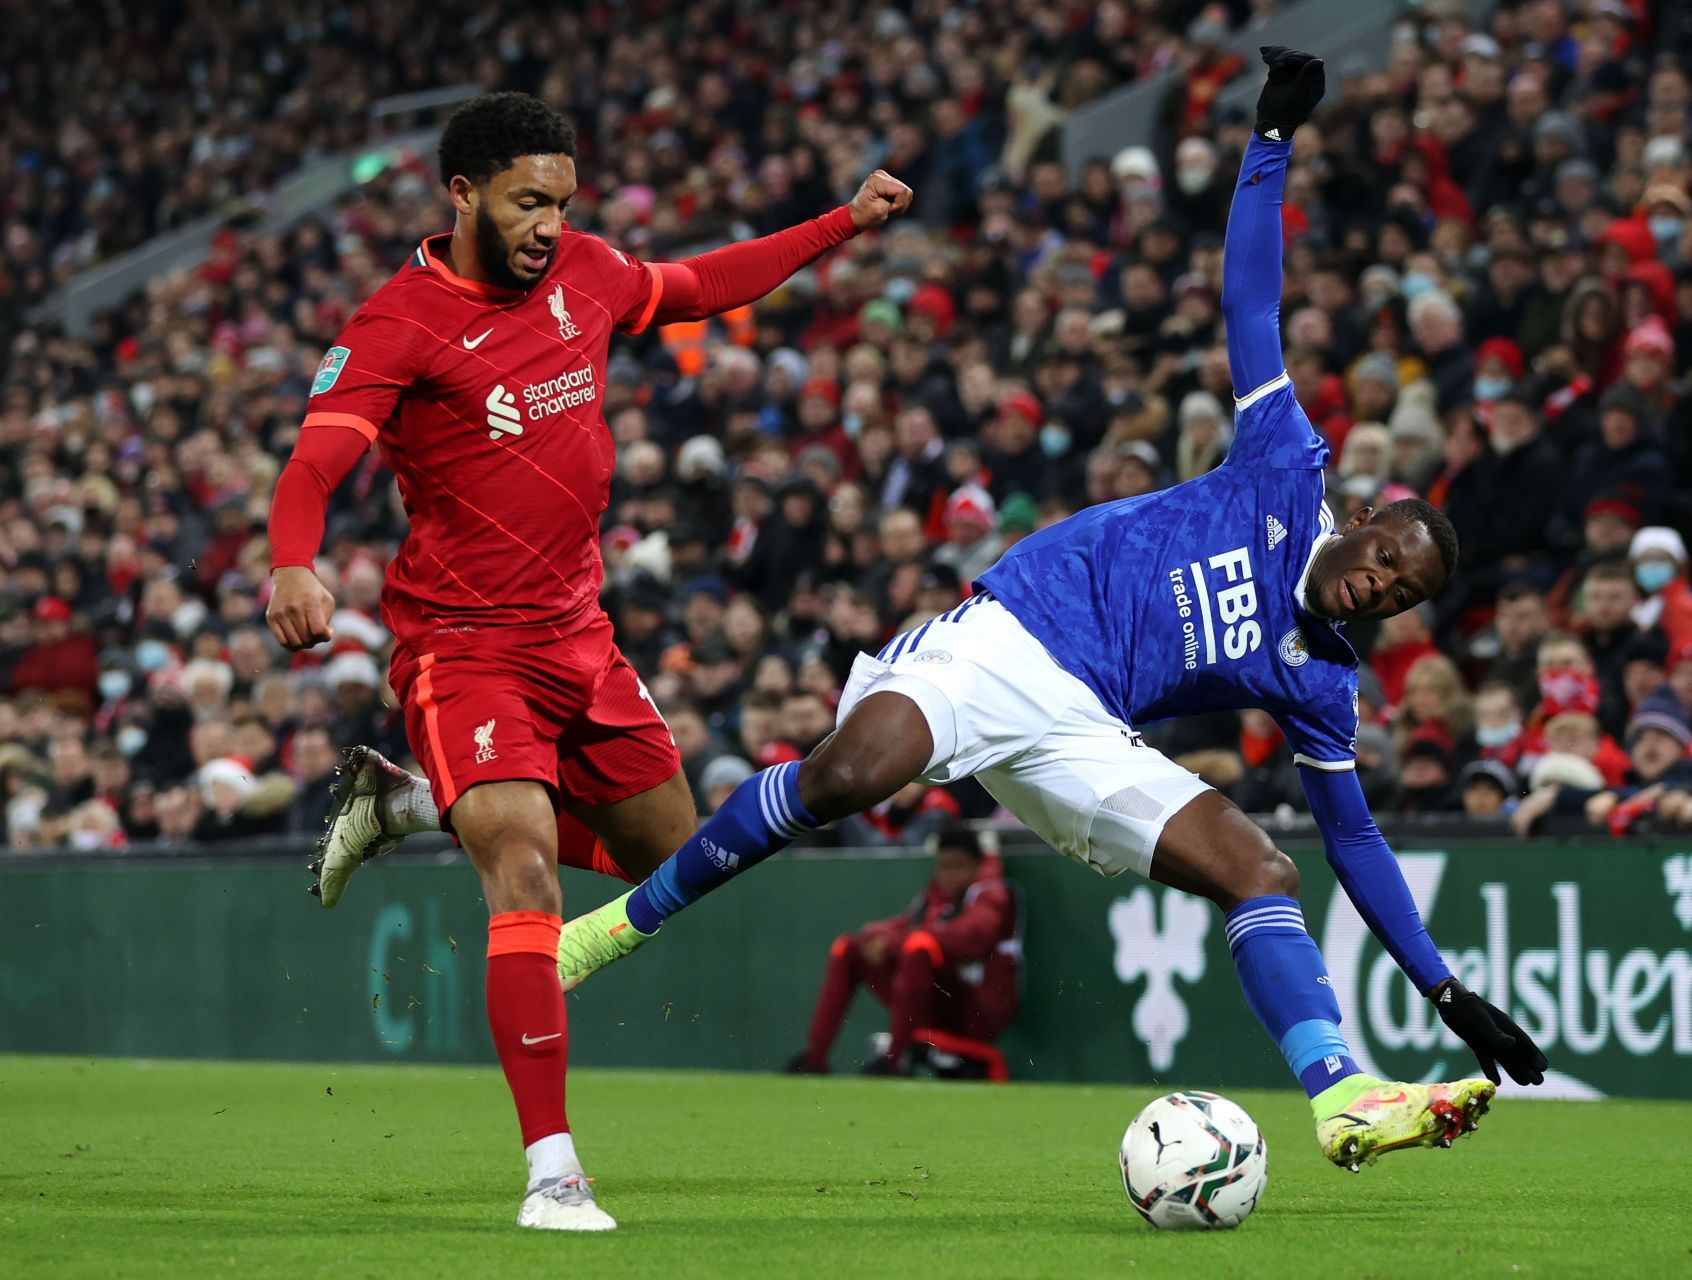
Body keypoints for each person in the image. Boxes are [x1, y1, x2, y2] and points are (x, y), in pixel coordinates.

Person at [557, 50, 1546, 1175]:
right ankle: (607, 931)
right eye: (1385, 559)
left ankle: (1343, 1095)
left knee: (1261, 869)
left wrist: (1445, 986)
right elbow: (1251, 298)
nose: (1381, 588)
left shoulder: (1321, 677)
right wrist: (1269, 144)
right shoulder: (1286, 465)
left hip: (1088, 733)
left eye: (1403, 594)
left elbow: (1354, 837)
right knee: (840, 777)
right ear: (1364, 520)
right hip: (1014, 634)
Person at [263, 93, 914, 1231]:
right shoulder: (397, 322)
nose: (548, 225)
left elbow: (708, 283)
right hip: (461, 644)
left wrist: (841, 222)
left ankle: (413, 805)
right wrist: (293, 565)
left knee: (683, 855)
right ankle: (554, 1171)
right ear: (460, 194)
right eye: (526, 201)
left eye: (561, 202)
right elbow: (315, 464)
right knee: (522, 870)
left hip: (580, 634)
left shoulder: (591, 273)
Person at [786, 827, 1019, 1077]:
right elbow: (906, 924)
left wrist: (893, 943)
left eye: (958, 866)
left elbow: (970, 937)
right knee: (849, 948)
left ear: (977, 865)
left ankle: (894, 1062)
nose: (950, 875)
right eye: (944, 866)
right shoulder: (936, 896)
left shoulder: (991, 893)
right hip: (935, 1003)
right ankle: (814, 1060)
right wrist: (876, 937)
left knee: (919, 945)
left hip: (976, 1013)